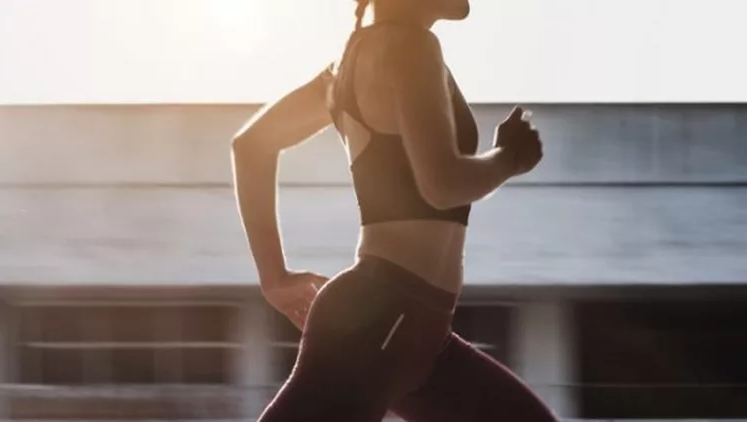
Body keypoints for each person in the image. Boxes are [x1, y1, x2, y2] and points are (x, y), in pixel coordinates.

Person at [231, 0, 556, 420]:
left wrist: (274, 278)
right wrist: (510, 158)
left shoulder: (350, 63)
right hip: (382, 321)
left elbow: (252, 145)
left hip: (420, 335)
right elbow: (443, 185)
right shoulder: (411, 48)